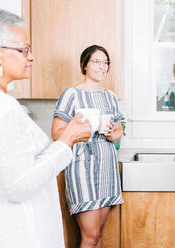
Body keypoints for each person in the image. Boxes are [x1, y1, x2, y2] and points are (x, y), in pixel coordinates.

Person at [0, 8, 91, 248]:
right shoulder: (2, 110)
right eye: (24, 49)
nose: (31, 56)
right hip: (17, 235)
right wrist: (66, 141)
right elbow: (18, 186)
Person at [51, 45, 124, 248]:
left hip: (107, 167)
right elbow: (56, 133)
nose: (102, 67)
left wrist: (111, 134)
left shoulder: (110, 96)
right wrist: (80, 131)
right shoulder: (71, 94)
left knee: (98, 235)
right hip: (82, 166)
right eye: (97, 62)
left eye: (106, 62)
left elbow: (119, 131)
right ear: (85, 65)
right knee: (90, 236)